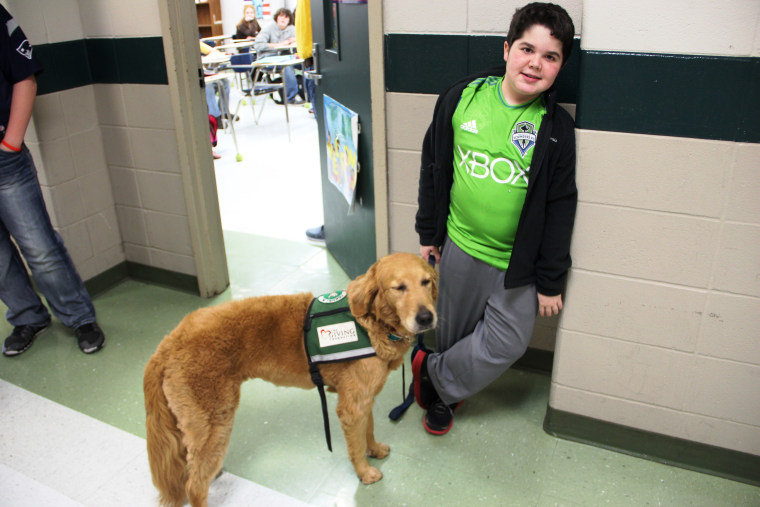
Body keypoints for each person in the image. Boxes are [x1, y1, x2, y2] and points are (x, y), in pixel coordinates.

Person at [412, 2, 577, 435]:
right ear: (507, 50)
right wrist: (429, 232)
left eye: (550, 56)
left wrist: (551, 279)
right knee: (454, 333)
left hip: (515, 265)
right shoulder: (461, 98)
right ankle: (445, 396)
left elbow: (561, 205)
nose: (535, 63)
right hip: (461, 244)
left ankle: (433, 374)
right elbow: (433, 168)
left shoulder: (555, 127)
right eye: (527, 49)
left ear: (560, 67)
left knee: (507, 341)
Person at [0, 5, 105, 356]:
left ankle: (79, 317)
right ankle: (28, 317)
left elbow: (24, 77)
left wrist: (11, 143)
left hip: (4, 160)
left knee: (39, 246)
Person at [253, 8, 300, 104]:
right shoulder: (269, 28)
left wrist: (295, 40)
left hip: (285, 56)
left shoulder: (292, 29)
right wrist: (279, 45)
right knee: (287, 66)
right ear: (277, 18)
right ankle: (290, 98)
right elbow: (258, 45)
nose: (283, 19)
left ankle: (308, 95)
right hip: (268, 58)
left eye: (286, 17)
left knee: (306, 63)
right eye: (281, 16)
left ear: (289, 19)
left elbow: (298, 41)